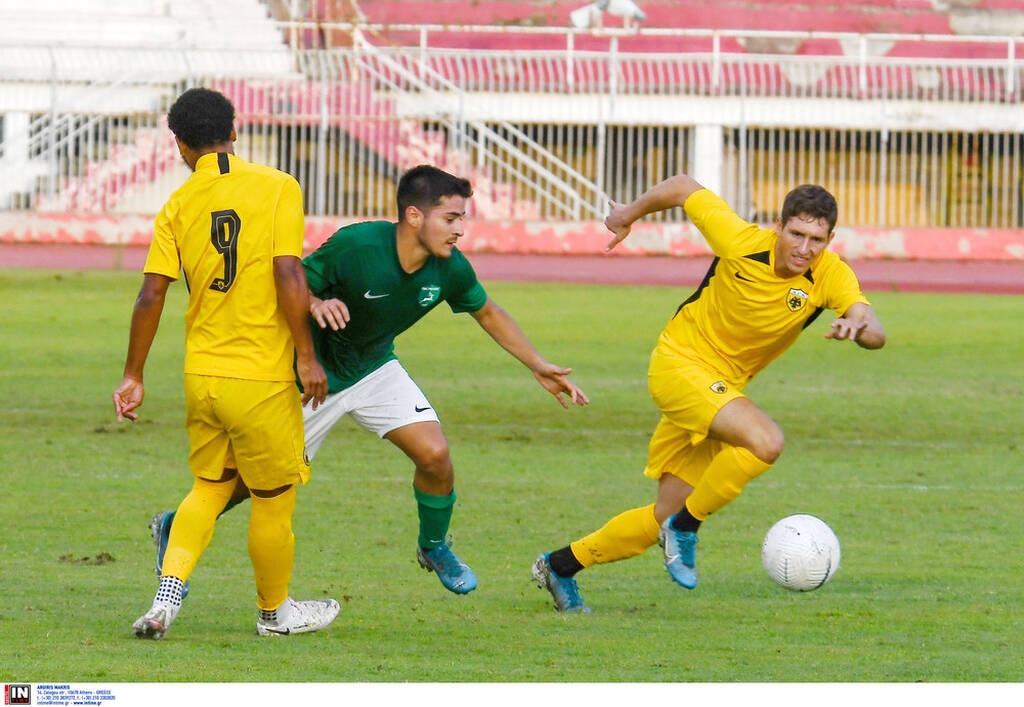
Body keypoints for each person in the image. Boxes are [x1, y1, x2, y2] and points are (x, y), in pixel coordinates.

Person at [149, 164, 590, 597]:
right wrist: (316, 302)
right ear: (415, 216)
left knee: (436, 456)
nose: (460, 231)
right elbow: (289, 279)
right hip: (310, 378)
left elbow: (488, 311)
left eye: (462, 220)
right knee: (249, 484)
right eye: (451, 218)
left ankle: (433, 547)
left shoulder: (451, 268)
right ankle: (175, 524)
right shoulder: (357, 245)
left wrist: (537, 364)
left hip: (374, 367)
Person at [532, 174, 885, 612]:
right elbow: (682, 186)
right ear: (779, 226)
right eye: (797, 233)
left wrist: (859, 327)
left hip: (719, 390)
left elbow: (874, 328)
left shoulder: (830, 274)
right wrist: (627, 214)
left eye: (816, 239)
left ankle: (560, 566)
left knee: (659, 516)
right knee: (766, 441)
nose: (804, 248)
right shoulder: (738, 239)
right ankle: (687, 527)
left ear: (829, 239)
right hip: (679, 367)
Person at [113, 87, 340, 639]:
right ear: (234, 132)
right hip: (259, 376)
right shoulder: (278, 186)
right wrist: (307, 356)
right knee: (273, 496)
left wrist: (134, 375)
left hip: (203, 376)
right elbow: (289, 274)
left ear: (180, 145)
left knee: (210, 486)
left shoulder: (177, 204)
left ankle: (165, 600)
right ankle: (275, 614)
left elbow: (151, 297)